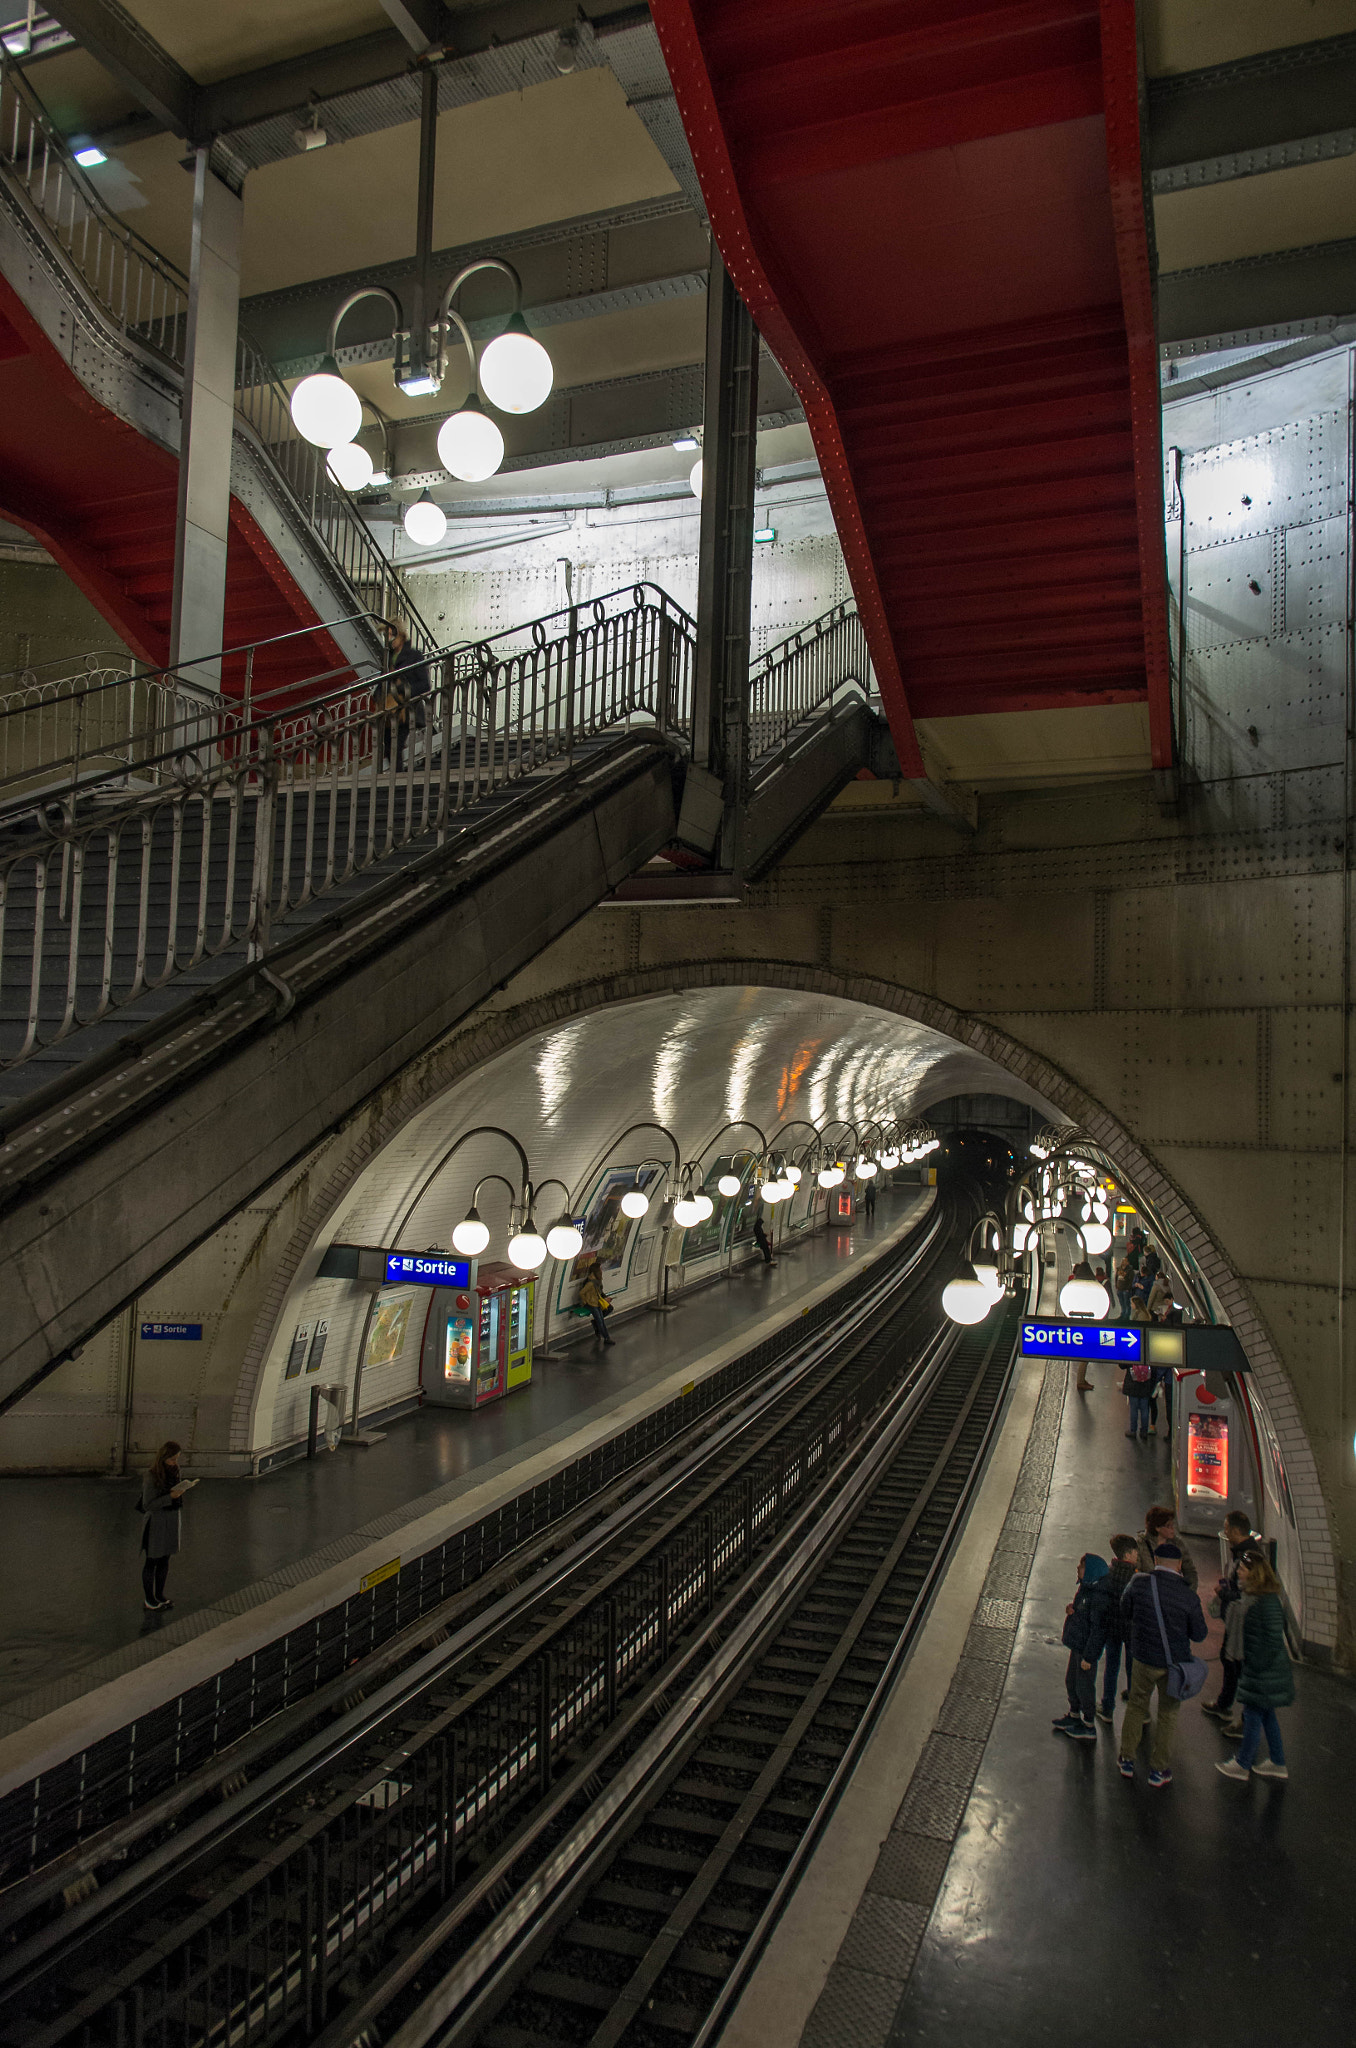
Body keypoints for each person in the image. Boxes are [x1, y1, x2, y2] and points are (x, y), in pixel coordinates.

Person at [1117, 1541, 1208, 1787]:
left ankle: (1127, 1759)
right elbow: (1199, 1634)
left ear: (1156, 1561)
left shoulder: (1139, 1583)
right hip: (1174, 1665)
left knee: (1137, 1706)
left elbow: (1125, 1610)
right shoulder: (1188, 1595)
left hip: (1143, 1657)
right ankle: (1158, 1770)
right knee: (1168, 1715)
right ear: (1179, 1565)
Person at [1217, 1551, 1293, 1782]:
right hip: (1263, 1669)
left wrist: (1253, 1665)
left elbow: (1272, 1640)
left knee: (1252, 1715)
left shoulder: (1266, 1602)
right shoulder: (1257, 1597)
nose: (1238, 1572)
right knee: (1267, 1715)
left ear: (1254, 1573)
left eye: (1242, 1569)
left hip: (1263, 1671)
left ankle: (1242, 1764)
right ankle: (1277, 1762)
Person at [1204, 1510, 1259, 1724]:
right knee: (1229, 1662)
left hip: (1242, 1623)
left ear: (1236, 1531)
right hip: (1236, 1620)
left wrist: (1223, 1592)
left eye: (1227, 1528)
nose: (1224, 1532)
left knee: (1237, 1666)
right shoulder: (1245, 1553)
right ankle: (1224, 1704)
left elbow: (1247, 1594)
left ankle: (1244, 1720)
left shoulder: (1248, 1558)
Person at [1053, 1552, 1112, 1741]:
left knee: (1084, 1686)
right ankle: (1074, 1715)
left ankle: (1088, 1724)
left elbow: (1098, 1630)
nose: (1077, 1568)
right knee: (1072, 1681)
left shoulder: (1099, 1598)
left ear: (1091, 1572)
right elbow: (1084, 1614)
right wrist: (1073, 1609)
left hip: (1086, 1652)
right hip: (1078, 1646)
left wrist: (1090, 1657)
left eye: (1081, 1566)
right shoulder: (1086, 1589)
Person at [138, 1440, 188, 1611]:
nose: (175, 1463)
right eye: (172, 1459)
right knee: (152, 1560)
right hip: (157, 1522)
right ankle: (149, 1599)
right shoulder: (151, 1476)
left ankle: (159, 1595)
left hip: (172, 1519)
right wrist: (171, 1497)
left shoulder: (175, 1472)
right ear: (164, 1458)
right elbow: (148, 1505)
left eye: (177, 1459)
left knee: (165, 1558)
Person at [376, 618, 431, 769]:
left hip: (406, 709)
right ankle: (396, 778)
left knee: (395, 746)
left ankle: (397, 781)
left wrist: (402, 690)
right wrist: (378, 696)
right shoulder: (388, 658)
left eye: (390, 635)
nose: (388, 640)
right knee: (388, 747)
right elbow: (382, 681)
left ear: (400, 635)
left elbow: (425, 685)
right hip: (389, 709)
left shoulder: (414, 656)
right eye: (386, 636)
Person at [1098, 1533, 1140, 1719]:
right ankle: (1133, 1699)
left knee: (1111, 1667)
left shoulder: (1108, 1573)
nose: (1138, 1555)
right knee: (1132, 1667)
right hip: (1131, 1629)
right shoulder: (1136, 1578)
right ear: (1128, 1554)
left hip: (1111, 1627)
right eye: (1135, 1552)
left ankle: (1107, 1706)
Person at [1137, 1505, 1198, 1589]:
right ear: (1157, 1528)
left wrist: (1189, 1592)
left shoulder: (1177, 1543)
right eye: (1169, 1526)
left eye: (1173, 1525)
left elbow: (1190, 1571)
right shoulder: (1141, 1544)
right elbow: (1137, 1572)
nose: (1173, 1529)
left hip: (1172, 1590)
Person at [576, 1253, 614, 1346]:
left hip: (596, 1303)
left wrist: (605, 1298)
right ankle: (606, 1338)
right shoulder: (590, 1282)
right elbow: (582, 1293)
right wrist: (585, 1302)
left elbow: (599, 1292)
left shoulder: (597, 1281)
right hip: (591, 1304)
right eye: (600, 1269)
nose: (601, 1271)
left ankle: (601, 1331)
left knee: (602, 1318)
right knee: (600, 1322)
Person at [1120, 1352, 1153, 1440]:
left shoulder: (1131, 1351)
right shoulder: (1148, 1352)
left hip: (1132, 1385)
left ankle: (1133, 1430)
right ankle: (1144, 1431)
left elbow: (1122, 1366)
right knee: (1145, 1409)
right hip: (1146, 1385)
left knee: (1133, 1409)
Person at [1114, 1252, 1133, 1324]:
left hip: (1126, 1289)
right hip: (1119, 1288)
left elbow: (1131, 1280)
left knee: (1126, 1303)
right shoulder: (1119, 1269)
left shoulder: (1130, 1270)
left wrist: (1128, 1288)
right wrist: (1116, 1285)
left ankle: (1126, 1316)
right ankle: (1122, 1314)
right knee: (1121, 1302)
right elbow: (1116, 1277)